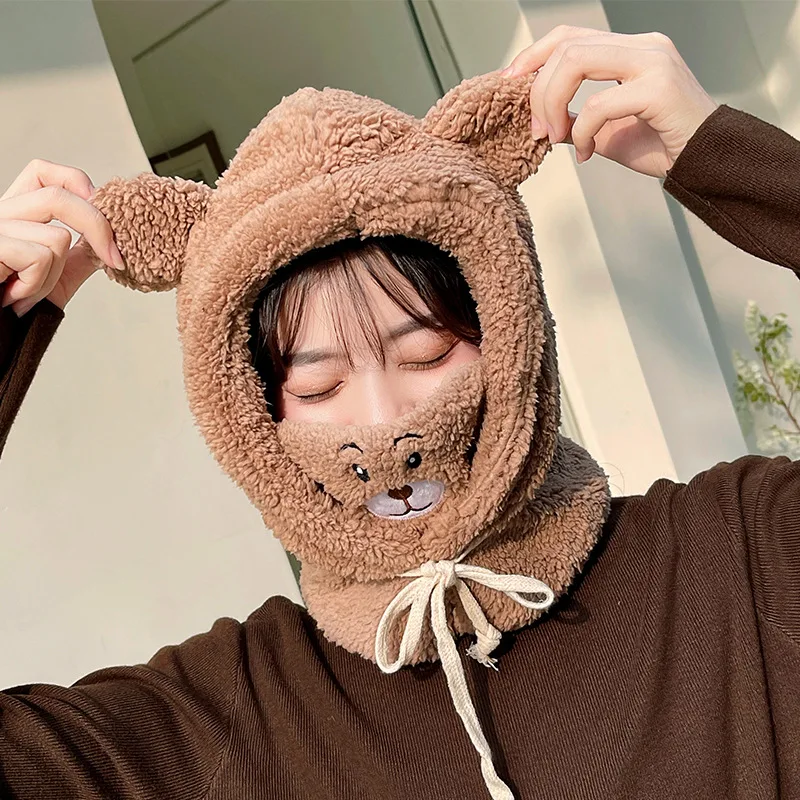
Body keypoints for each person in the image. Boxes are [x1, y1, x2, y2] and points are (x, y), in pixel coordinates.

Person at [1, 25, 798, 800]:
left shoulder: (738, 557)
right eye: (318, 388)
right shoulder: (228, 719)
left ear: (509, 330)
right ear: (252, 413)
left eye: (426, 354)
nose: (383, 421)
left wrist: (735, 161)